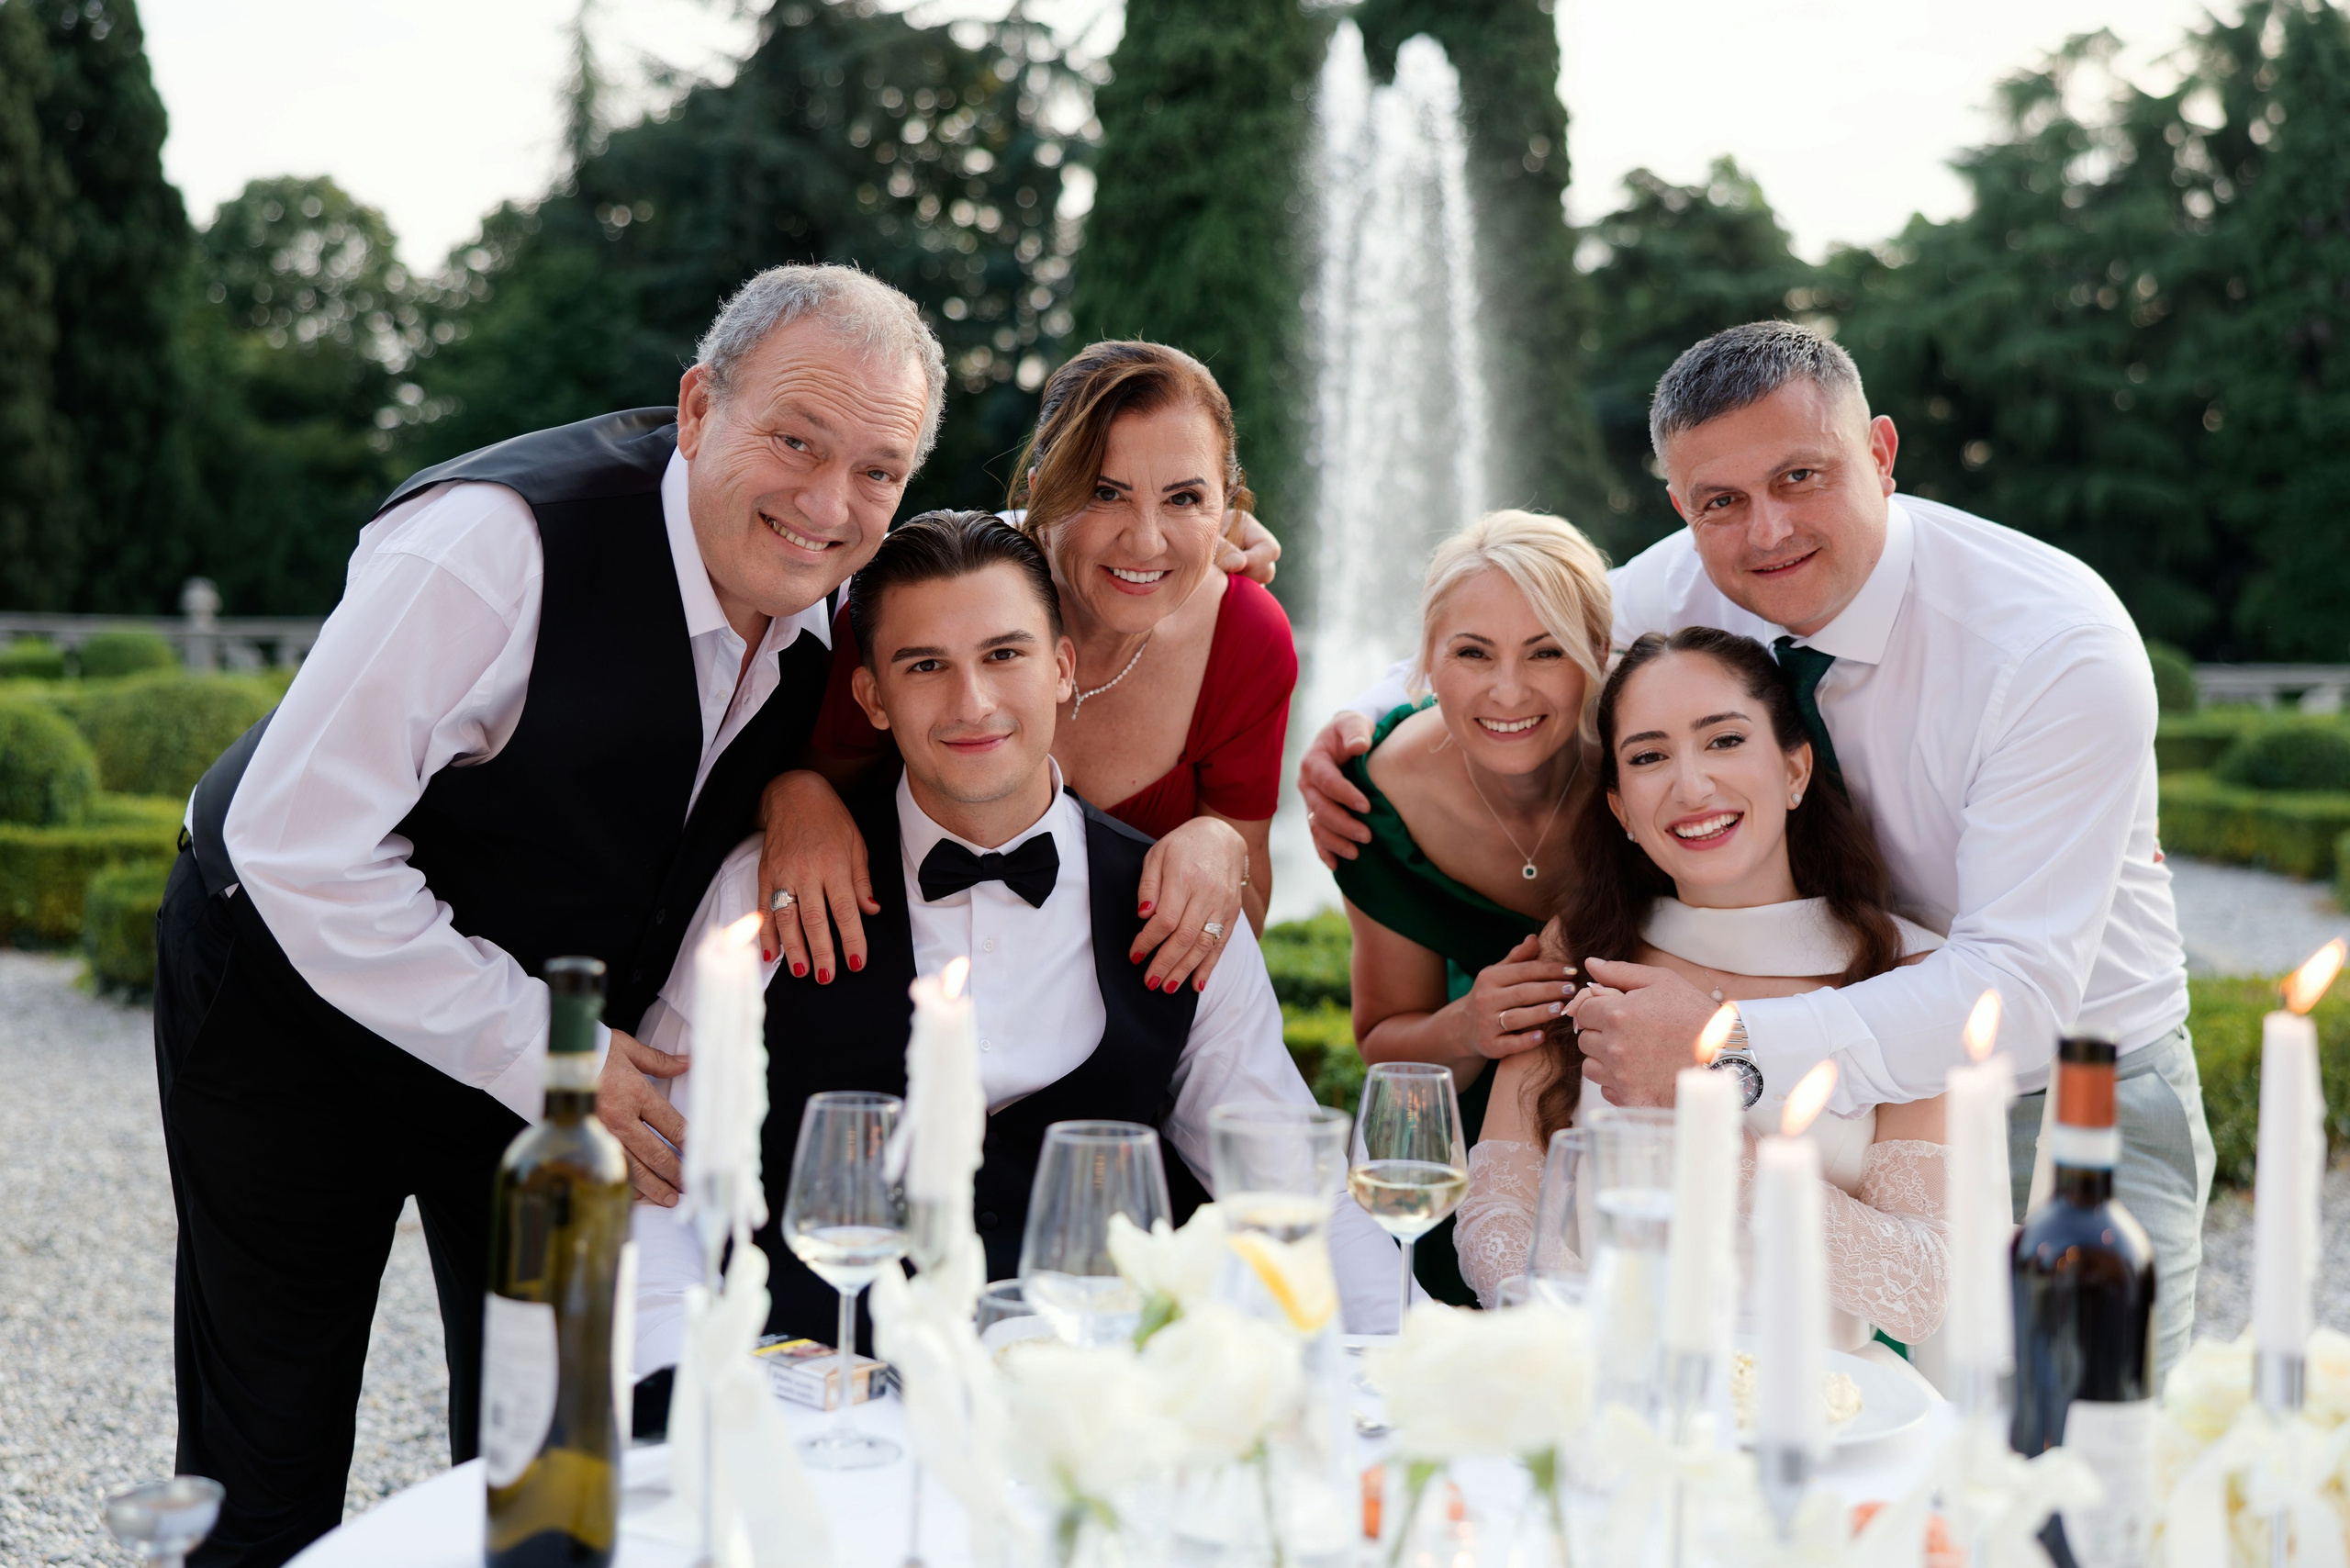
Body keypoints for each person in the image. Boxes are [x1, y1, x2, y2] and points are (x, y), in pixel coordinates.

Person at [152, 264, 949, 1567]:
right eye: (796, 441)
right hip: (287, 989)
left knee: (546, 1446)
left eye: (879, 469)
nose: (830, 503)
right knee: (269, 1453)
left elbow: (1027, 591)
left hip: (544, 1038)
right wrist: (533, 1046)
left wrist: (1218, 556)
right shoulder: (494, 544)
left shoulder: (844, 576)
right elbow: (293, 837)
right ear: (699, 408)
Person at [1300, 320, 2210, 1385]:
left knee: (2087, 1466)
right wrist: (1364, 722)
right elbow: (1513, 627)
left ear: (1878, 451)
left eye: (1800, 475)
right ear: (1680, 509)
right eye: (1717, 502)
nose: (1764, 530)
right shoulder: (1677, 588)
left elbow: (2011, 991)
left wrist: (1722, 1048)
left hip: (2068, 1076)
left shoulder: (2052, 647)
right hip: (1810, 1040)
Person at [628, 511, 1400, 1381]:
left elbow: (1298, 1190)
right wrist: (675, 1397)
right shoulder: (765, 890)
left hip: (1095, 1412)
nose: (973, 703)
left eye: (1005, 655)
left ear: (1062, 668)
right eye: (926, 666)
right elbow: (660, 1176)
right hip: (826, 1415)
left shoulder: (1178, 906)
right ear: (873, 697)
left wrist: (1403, 1378)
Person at [1456, 628, 1950, 1371]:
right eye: (1650, 756)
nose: (1690, 787)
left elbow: (1921, 1287)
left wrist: (1703, 1118)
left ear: (1794, 769)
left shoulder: (1907, 972)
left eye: (1723, 741)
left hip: (1812, 1406)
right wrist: (1570, 1331)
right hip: (1602, 1380)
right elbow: (1496, 1206)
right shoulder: (1582, 946)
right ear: (1621, 808)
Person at [755, 341, 1294, 998]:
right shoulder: (920, 605)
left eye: (1184, 498)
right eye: (1105, 492)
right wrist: (791, 795)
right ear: (1041, 494)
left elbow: (1245, 938)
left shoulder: (1247, 639)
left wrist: (1220, 846)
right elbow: (766, 802)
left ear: (1227, 507)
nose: (1147, 541)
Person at [1334, 510, 1612, 1305]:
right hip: (1450, 1147)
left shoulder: (1646, 760)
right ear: (1425, 660)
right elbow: (1385, 1044)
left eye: (1546, 651)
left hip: (1632, 1119)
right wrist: (1469, 1026)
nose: (1508, 690)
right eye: (1472, 653)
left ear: (1596, 655)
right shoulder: (1378, 797)